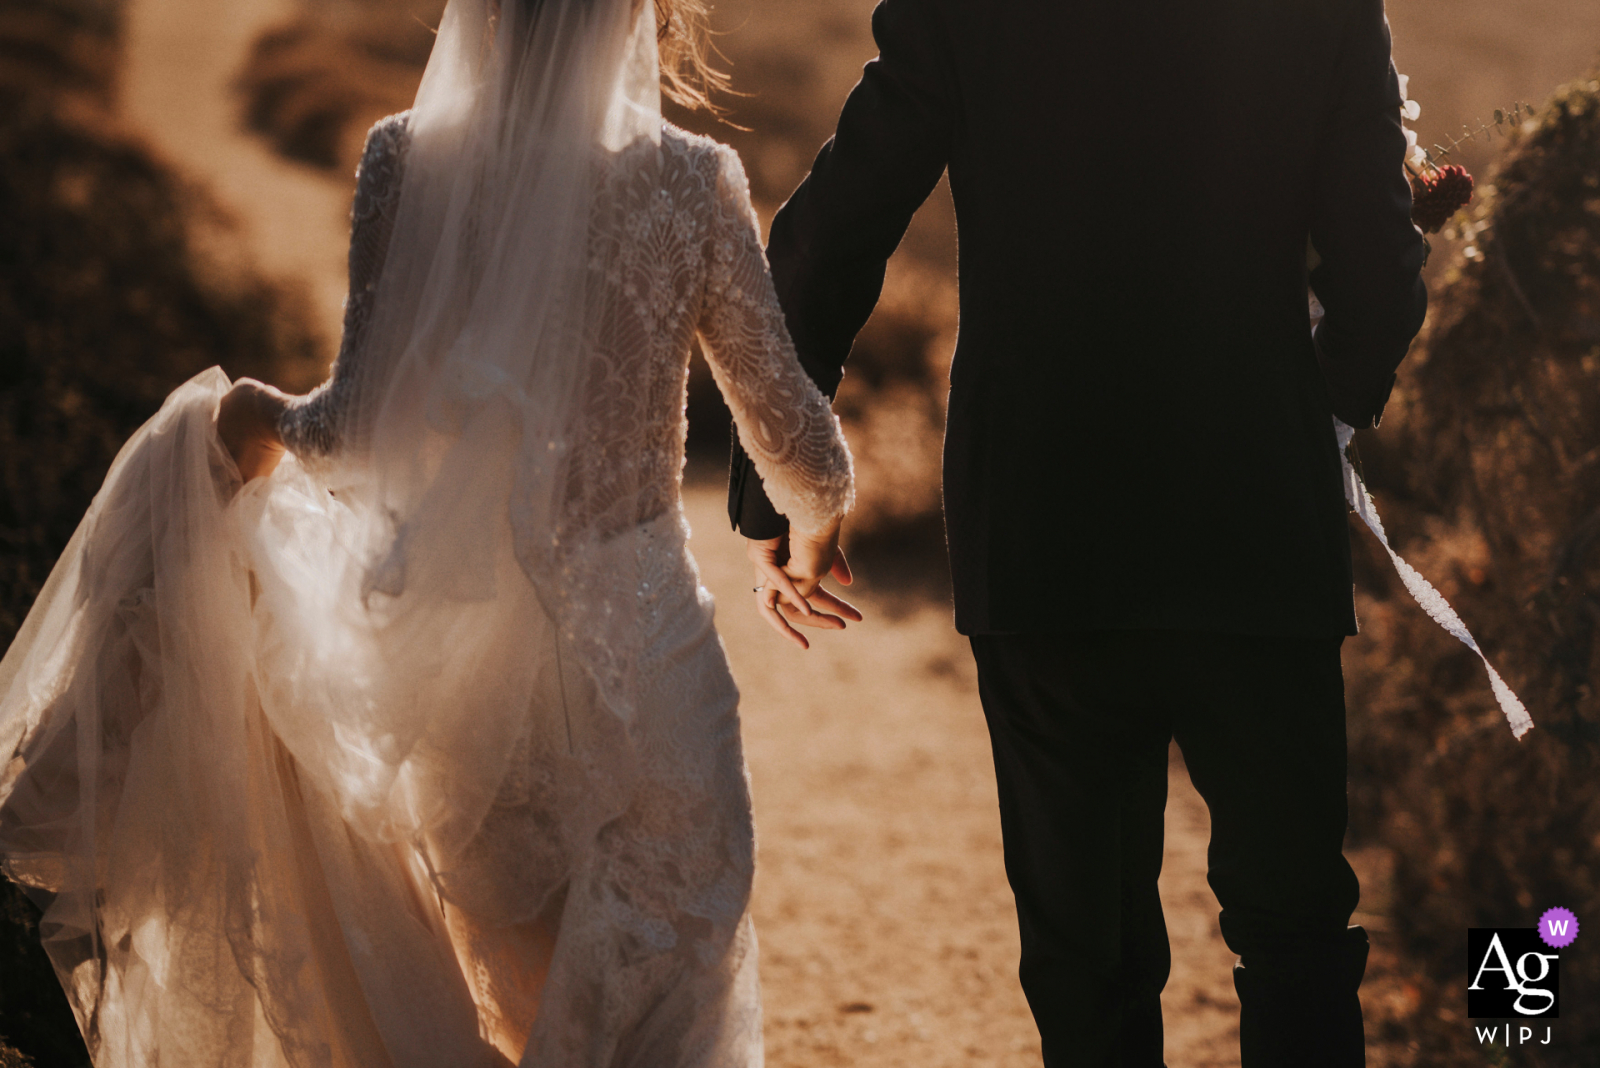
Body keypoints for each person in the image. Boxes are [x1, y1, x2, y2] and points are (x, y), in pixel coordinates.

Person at [0, 0, 856, 1064]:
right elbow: (800, 448)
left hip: (477, 705)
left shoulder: (405, 160)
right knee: (669, 1001)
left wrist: (249, 417)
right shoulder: (691, 179)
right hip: (651, 676)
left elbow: (358, 429)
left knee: (530, 1021)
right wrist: (807, 532)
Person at [728, 0, 1428, 1064]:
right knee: (1293, 932)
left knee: (1082, 950)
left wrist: (776, 484)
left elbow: (836, 226)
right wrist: (1318, 412)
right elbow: (1378, 262)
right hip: (1253, 512)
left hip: (1042, 514)